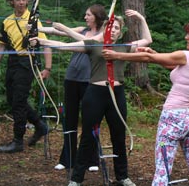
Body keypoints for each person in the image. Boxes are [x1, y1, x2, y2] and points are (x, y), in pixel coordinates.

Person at [34, 11, 152, 186]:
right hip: (95, 94)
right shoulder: (93, 46)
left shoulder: (124, 47)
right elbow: (63, 45)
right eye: (110, 27)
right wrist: (40, 41)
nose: (113, 31)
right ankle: (76, 179)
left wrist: (141, 18)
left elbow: (147, 40)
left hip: (116, 95)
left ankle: (122, 176)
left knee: (118, 136)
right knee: (88, 137)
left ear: (120, 33)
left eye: (117, 28)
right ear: (104, 29)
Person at [102, 21, 189, 186]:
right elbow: (173, 65)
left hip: (173, 119)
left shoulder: (186, 55)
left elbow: (148, 58)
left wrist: (116, 55)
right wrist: (153, 52)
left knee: (163, 168)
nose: (186, 37)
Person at [39, 4, 109, 172]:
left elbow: (82, 40)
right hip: (71, 79)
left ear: (97, 17)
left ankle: (92, 159)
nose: (85, 18)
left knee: (90, 120)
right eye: (85, 15)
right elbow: (57, 32)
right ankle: (67, 158)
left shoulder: (103, 34)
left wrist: (64, 28)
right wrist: (35, 27)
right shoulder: (82, 29)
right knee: (69, 119)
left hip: (90, 81)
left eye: (88, 15)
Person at [0, 0, 52, 153]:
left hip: (27, 62)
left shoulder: (33, 20)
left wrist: (47, 67)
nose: (21, 2)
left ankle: (18, 141)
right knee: (13, 99)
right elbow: (1, 46)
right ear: (11, 1)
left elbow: (46, 45)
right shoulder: (7, 21)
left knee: (18, 101)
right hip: (13, 62)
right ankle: (40, 126)